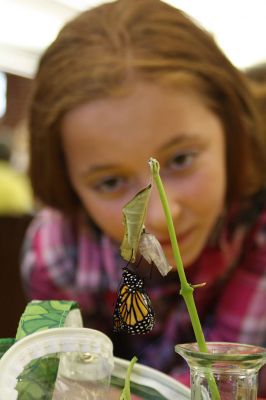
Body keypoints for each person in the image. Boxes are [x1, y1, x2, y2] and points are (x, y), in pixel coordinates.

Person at [21, 0, 266, 394]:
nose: (155, 217)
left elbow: (230, 382)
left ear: (231, 129)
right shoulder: (58, 252)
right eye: (109, 181)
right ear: (68, 183)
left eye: (182, 159)